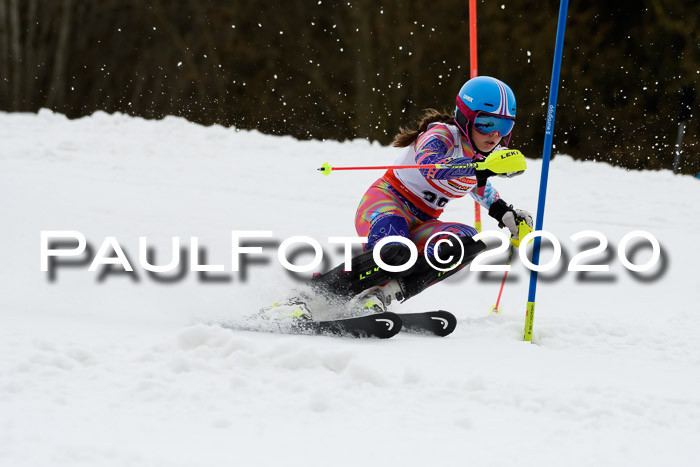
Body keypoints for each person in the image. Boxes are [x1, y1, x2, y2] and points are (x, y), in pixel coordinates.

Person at [271, 76, 533, 319]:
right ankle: (308, 296)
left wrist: (504, 213)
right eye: (487, 123)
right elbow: (431, 165)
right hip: (388, 201)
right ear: (465, 118)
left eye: (504, 125)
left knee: (464, 244)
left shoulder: (486, 154)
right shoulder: (441, 135)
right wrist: (480, 167)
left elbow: (478, 186)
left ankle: (379, 295)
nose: (495, 134)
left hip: (424, 220)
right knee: (395, 250)